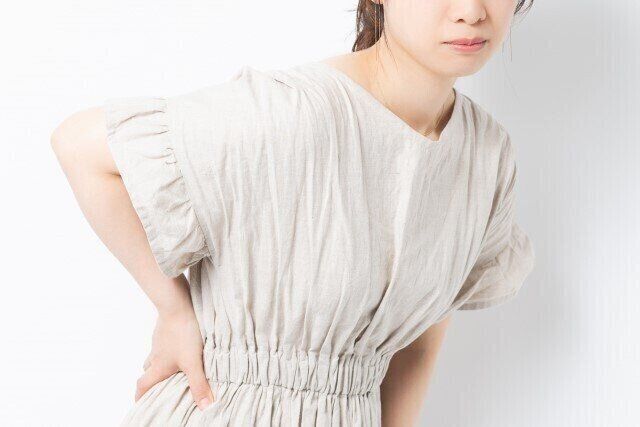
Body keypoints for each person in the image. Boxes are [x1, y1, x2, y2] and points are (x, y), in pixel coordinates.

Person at [50, 0, 536, 425]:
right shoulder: (292, 112)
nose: (471, 11)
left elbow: (421, 332)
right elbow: (80, 146)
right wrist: (174, 310)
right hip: (222, 409)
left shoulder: (485, 155)